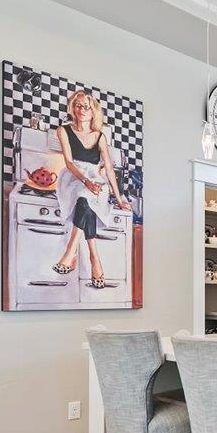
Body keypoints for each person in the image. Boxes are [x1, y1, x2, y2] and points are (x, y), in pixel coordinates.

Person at [52, 90, 130, 288]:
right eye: (78, 105)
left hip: (96, 179)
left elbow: (109, 168)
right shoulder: (64, 130)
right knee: (83, 195)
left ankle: (73, 253)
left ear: (93, 111)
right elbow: (69, 163)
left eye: (87, 106)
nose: (82, 110)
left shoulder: (100, 136)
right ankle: (93, 257)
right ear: (72, 108)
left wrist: (119, 198)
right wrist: (86, 181)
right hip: (73, 178)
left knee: (86, 201)